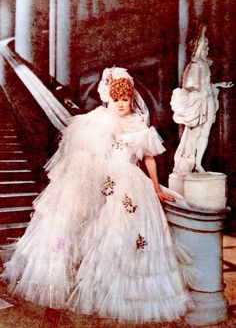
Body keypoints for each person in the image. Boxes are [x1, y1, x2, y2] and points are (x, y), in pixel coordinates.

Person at [1, 67, 192, 323]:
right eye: (117, 99)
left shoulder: (140, 125)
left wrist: (157, 188)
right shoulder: (100, 122)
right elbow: (89, 158)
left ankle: (133, 296)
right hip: (107, 181)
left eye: (125, 99)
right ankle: (91, 295)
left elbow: (148, 159)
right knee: (101, 235)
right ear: (109, 99)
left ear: (131, 99)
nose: (121, 104)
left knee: (135, 236)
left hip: (134, 184)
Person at [171, 25, 233, 174]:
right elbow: (198, 48)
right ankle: (190, 161)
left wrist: (220, 85)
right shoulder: (196, 61)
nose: (207, 50)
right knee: (196, 133)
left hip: (208, 99)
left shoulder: (205, 64)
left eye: (207, 47)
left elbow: (206, 84)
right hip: (198, 101)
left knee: (206, 133)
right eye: (205, 47)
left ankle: (199, 163)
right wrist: (203, 32)